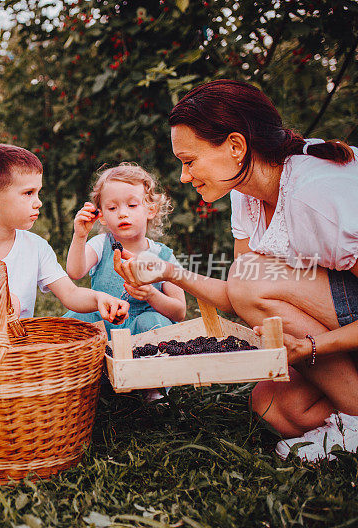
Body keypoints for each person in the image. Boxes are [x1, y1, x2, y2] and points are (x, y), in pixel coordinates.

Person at [112, 79, 358, 462]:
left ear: (236, 146)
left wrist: (312, 348)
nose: (183, 176)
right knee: (271, 403)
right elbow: (236, 295)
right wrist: (168, 272)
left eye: (189, 161)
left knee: (251, 279)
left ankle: (356, 419)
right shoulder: (247, 195)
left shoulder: (317, 195)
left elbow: (247, 287)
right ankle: (347, 417)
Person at [0, 143, 129, 333]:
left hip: (17, 345)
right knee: (7, 301)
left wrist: (99, 298)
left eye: (38, 193)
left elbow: (70, 294)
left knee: (15, 306)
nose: (38, 202)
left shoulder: (36, 247)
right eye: (28, 193)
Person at [63, 164, 186, 336]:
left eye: (132, 205)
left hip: (142, 332)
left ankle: (151, 359)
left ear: (151, 210)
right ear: (103, 217)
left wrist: (151, 295)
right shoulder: (101, 244)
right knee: (78, 317)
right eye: (112, 208)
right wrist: (80, 236)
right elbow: (75, 272)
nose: (122, 213)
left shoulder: (163, 256)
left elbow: (179, 312)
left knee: (152, 320)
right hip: (103, 325)